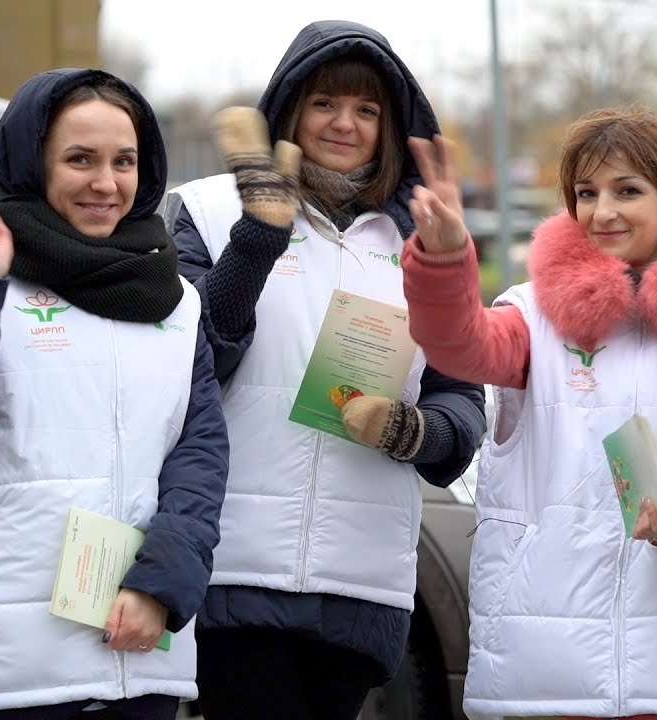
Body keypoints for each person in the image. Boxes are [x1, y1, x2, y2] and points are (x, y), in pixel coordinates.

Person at [400, 106, 657, 720]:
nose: (602, 212)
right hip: (539, 670)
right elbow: (460, 344)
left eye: (628, 190)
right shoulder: (532, 313)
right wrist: (444, 260)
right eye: (586, 192)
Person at [164, 21, 486, 720]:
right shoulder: (212, 210)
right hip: (234, 571)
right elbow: (185, 366)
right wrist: (259, 236)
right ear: (290, 107)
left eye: (366, 110)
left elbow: (463, 402)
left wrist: (412, 431)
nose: (345, 123)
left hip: (361, 583)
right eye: (325, 103)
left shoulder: (421, 240)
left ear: (390, 126)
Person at [0, 69, 228, 719]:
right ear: (30, 164)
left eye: (124, 161)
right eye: (80, 159)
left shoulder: (178, 304)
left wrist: (163, 583)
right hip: (3, 674)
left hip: (139, 662)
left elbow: (200, 459)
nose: (106, 183)